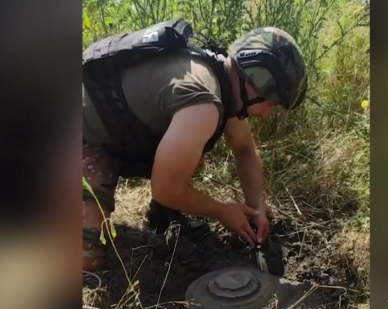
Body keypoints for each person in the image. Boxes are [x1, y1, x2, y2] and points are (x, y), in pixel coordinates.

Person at [82, 23, 308, 271]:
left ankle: (163, 215)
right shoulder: (204, 104)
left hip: (112, 130)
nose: (266, 114)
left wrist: (257, 208)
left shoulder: (222, 80)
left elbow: (244, 148)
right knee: (85, 256)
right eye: (272, 104)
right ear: (255, 83)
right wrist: (222, 211)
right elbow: (165, 188)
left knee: (190, 147)